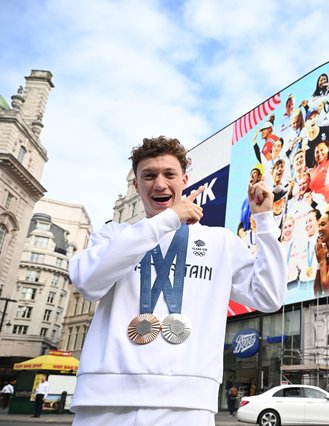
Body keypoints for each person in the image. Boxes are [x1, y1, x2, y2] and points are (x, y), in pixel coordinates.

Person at [68, 136, 286, 425]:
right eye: (149, 175)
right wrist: (168, 219)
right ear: (136, 185)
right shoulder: (112, 237)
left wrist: (265, 221)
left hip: (187, 405)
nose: (159, 184)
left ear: (184, 179)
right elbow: (88, 282)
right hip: (105, 402)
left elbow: (269, 297)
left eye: (169, 174)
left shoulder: (219, 242)